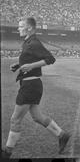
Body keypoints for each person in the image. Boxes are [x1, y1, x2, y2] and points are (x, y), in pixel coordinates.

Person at [1, 17, 70, 158]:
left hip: (30, 86)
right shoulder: (27, 42)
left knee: (15, 119)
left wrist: (31, 66)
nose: (18, 28)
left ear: (30, 28)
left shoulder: (34, 42)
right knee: (37, 116)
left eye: (21, 26)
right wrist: (19, 65)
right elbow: (29, 60)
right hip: (31, 84)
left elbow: (50, 59)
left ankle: (6, 153)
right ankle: (62, 135)